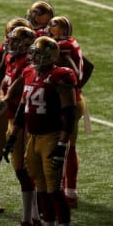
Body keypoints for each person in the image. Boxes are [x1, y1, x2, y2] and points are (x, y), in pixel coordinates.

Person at [3, 36, 77, 226]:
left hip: (51, 137)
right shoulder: (29, 73)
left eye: (37, 53)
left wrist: (62, 143)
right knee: (42, 190)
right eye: (32, 53)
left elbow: (70, 112)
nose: (32, 56)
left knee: (55, 191)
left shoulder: (61, 76)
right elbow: (22, 110)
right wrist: (13, 137)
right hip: (33, 137)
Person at [0, 26, 42, 226]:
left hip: (23, 121)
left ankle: (30, 221)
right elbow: (4, 96)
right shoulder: (11, 60)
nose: (9, 44)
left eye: (15, 42)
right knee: (24, 170)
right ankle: (33, 218)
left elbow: (7, 99)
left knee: (25, 171)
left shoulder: (28, 67)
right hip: (13, 117)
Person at [47, 15, 94, 208]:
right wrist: (78, 86)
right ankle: (70, 191)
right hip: (77, 98)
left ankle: (63, 192)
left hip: (68, 103)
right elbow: (89, 66)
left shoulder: (62, 47)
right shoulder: (70, 43)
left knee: (60, 147)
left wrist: (73, 87)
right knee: (68, 147)